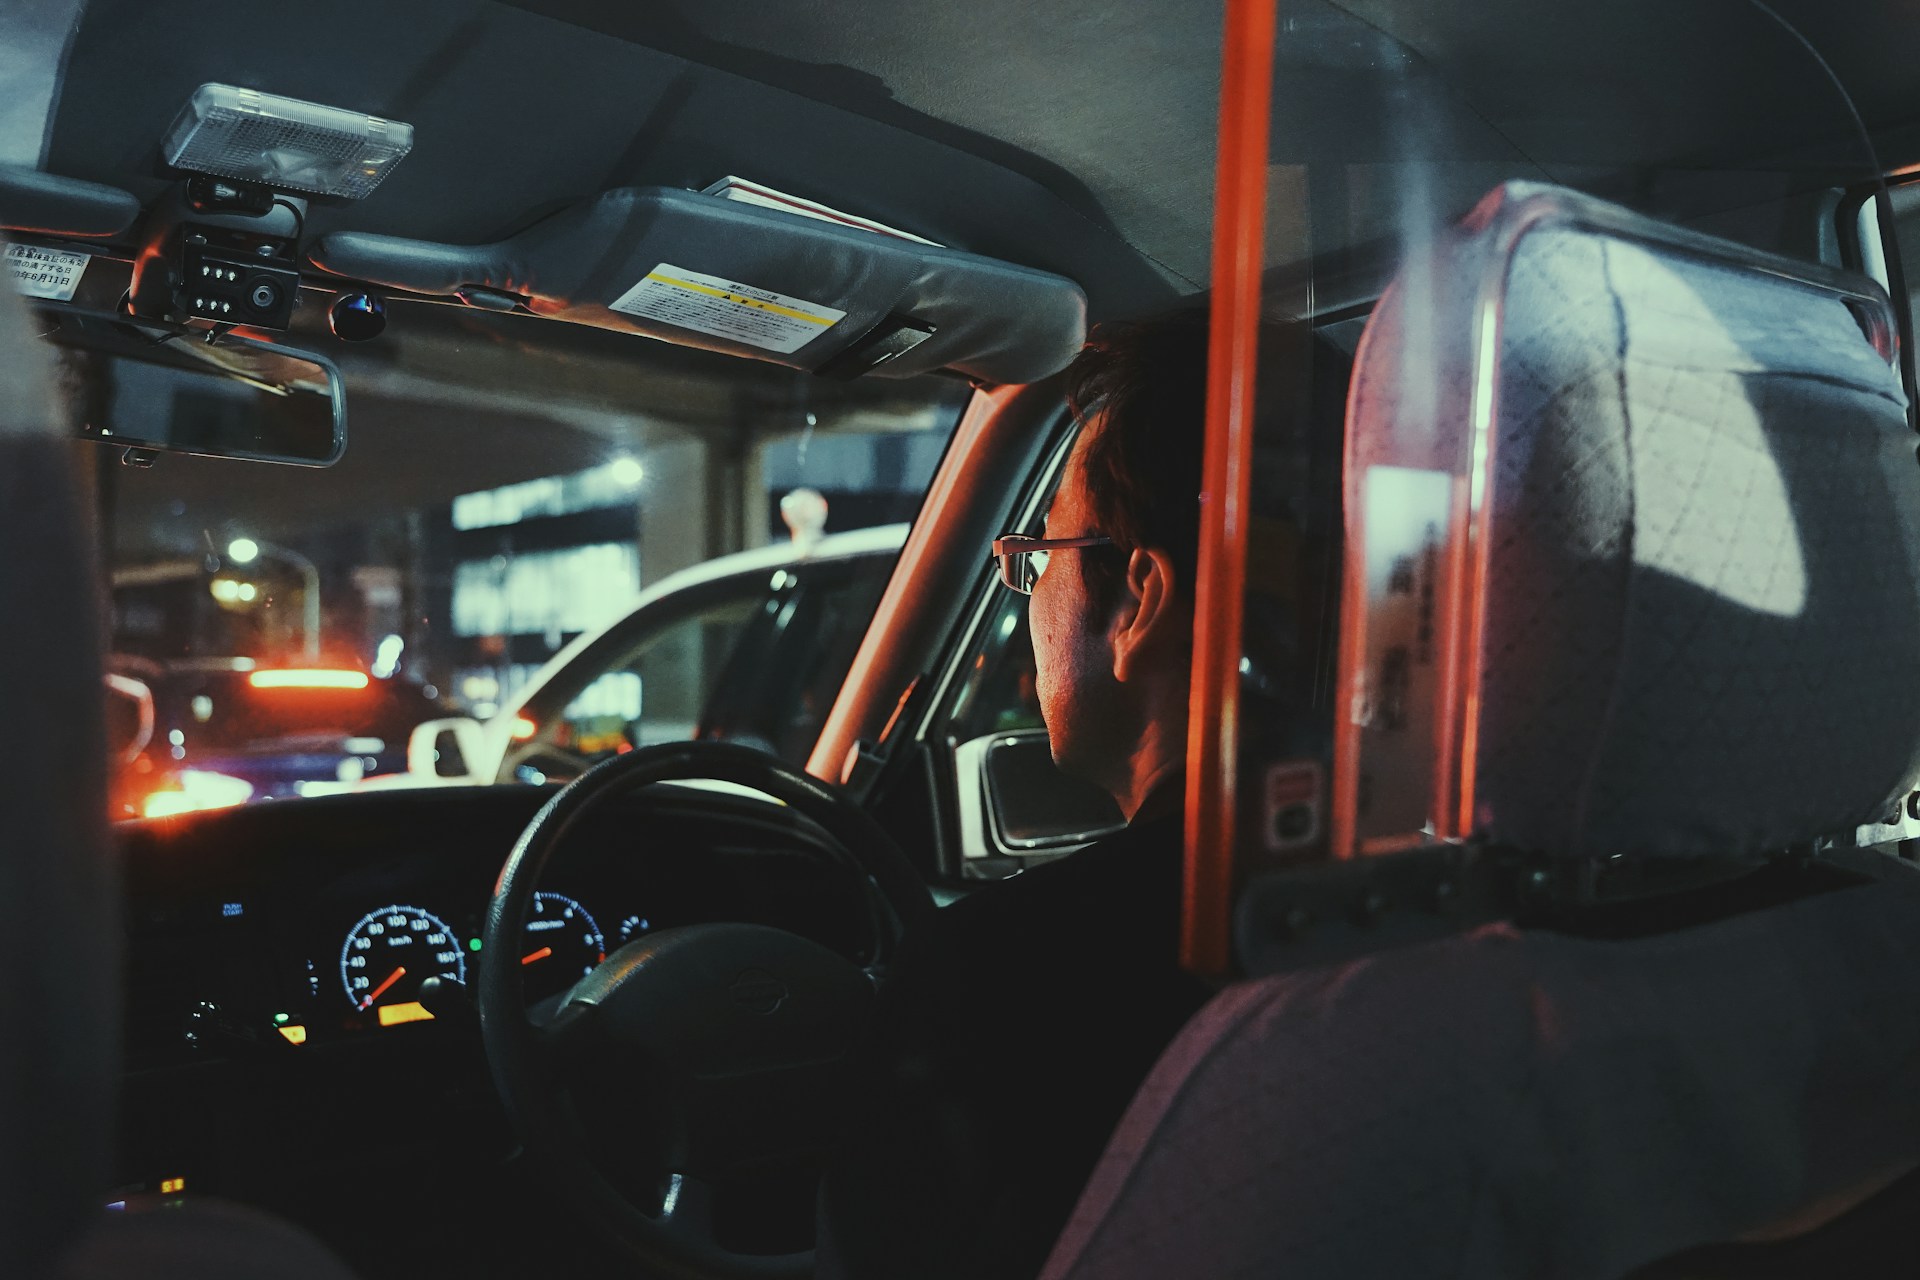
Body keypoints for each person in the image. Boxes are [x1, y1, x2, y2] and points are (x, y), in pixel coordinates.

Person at [818, 308, 1336, 1280]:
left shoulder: (1003, 979)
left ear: (1137, 598)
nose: (1028, 607)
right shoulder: (1447, 898)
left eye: (1036, 558)